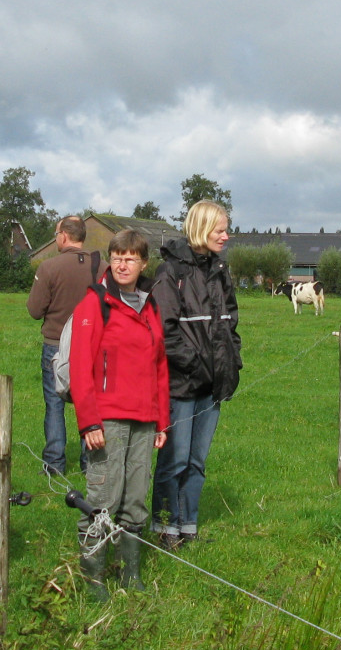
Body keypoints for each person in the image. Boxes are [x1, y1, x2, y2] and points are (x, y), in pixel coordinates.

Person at [68, 228, 168, 599]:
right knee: (104, 498)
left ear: (144, 263)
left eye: (130, 258)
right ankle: (94, 579)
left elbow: (160, 365)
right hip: (106, 418)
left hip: (144, 418)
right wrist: (88, 421)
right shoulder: (95, 303)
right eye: (116, 256)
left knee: (136, 498)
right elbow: (80, 366)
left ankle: (131, 573)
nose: (122, 263)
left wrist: (162, 420)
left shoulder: (150, 304)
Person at [149, 198, 240, 550]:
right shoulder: (171, 273)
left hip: (211, 386)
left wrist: (232, 363)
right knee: (175, 459)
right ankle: (163, 526)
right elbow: (164, 331)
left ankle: (188, 525)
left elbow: (230, 322)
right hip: (181, 385)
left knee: (197, 461)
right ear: (202, 229)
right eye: (220, 230)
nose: (226, 236)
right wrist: (196, 363)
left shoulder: (219, 270)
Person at [26, 215, 99, 478]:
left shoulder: (49, 268)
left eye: (56, 233)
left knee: (54, 404)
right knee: (88, 401)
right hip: (92, 344)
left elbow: (34, 310)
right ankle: (89, 461)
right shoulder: (100, 268)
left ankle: (54, 463)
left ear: (64, 236)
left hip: (55, 344)